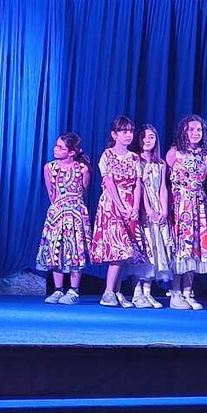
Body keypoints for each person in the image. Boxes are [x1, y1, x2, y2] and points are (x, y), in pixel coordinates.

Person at [89, 116, 145, 307]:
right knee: (118, 249)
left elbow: (137, 184)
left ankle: (116, 291)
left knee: (126, 251)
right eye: (124, 131)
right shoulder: (107, 155)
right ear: (114, 134)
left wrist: (135, 207)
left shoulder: (134, 158)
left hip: (129, 204)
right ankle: (108, 292)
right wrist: (120, 206)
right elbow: (109, 183)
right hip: (112, 204)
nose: (128, 135)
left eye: (131, 131)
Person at [166, 114, 207, 310]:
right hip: (181, 204)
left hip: (198, 203)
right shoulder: (174, 153)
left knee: (195, 247)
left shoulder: (206, 155)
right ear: (183, 132)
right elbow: (166, 180)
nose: (195, 133)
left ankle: (188, 292)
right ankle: (175, 292)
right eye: (191, 129)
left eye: (199, 130)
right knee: (181, 247)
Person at [35, 133, 92, 305]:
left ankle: (74, 290)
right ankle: (58, 289)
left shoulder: (82, 169)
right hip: (57, 213)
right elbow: (51, 193)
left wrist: (72, 208)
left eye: (60, 147)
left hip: (76, 214)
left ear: (72, 152)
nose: (55, 149)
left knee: (75, 251)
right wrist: (59, 209)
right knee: (56, 249)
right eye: (56, 146)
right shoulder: (49, 168)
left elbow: (82, 191)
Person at [130, 124, 173, 308]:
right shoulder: (135, 160)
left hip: (157, 209)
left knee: (156, 250)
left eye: (151, 137)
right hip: (142, 209)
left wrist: (164, 211)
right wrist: (148, 210)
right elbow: (139, 187)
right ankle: (136, 292)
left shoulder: (160, 163)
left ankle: (147, 292)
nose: (147, 141)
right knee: (143, 249)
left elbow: (163, 188)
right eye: (144, 137)